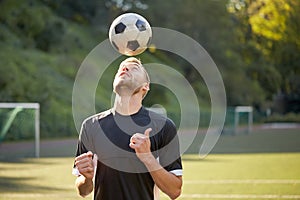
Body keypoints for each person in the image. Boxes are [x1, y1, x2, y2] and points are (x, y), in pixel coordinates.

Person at [73, 57, 183, 200]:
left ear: (146, 86)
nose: (124, 68)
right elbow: (83, 191)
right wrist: (86, 178)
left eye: (134, 68)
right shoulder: (91, 126)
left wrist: (148, 158)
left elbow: (175, 191)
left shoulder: (164, 127)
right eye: (121, 68)